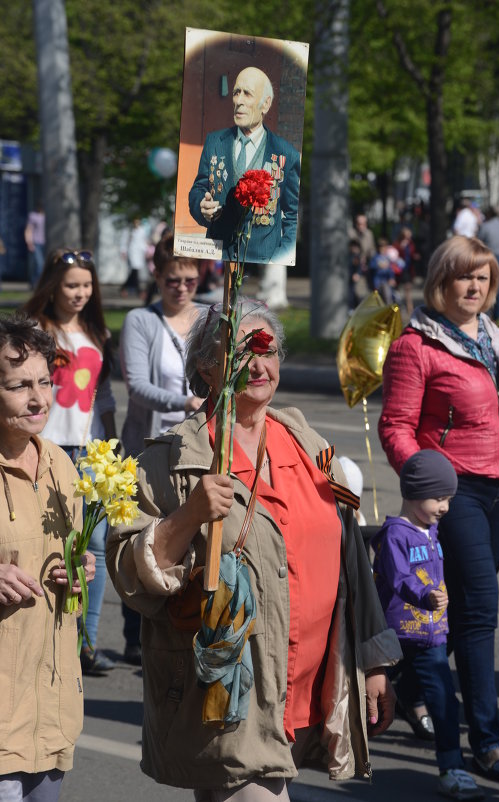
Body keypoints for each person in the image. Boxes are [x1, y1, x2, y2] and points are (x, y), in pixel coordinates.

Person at [106, 299, 402, 799]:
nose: (259, 366)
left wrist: (372, 663)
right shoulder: (172, 460)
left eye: (268, 351)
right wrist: (188, 515)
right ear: (206, 365)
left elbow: (351, 558)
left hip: (308, 685)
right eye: (241, 353)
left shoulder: (309, 445)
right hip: (231, 696)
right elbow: (131, 575)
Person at [378, 235, 499, 785]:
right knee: (480, 611)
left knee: (458, 604)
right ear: (440, 281)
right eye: (464, 277)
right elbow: (395, 426)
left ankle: (403, 685)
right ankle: (486, 743)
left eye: (483, 278)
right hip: (456, 491)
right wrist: (425, 480)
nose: (474, 287)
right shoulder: (415, 344)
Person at [0, 314, 95, 802]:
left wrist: (77, 571)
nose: (38, 399)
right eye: (19, 386)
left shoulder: (60, 463)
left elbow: (70, 557)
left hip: (52, 705)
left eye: (44, 382)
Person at [23, 249, 118, 676]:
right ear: (52, 287)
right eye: (71, 285)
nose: (80, 293)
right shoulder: (35, 330)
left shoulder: (97, 333)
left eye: (86, 285)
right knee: (50, 545)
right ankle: (48, 627)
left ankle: (87, 641)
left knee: (94, 547)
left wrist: (112, 444)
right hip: (46, 447)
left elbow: (107, 395)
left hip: (90, 451)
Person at [372, 450, 484, 801]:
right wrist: (424, 595)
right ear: (413, 492)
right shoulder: (395, 535)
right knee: (364, 690)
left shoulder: (432, 529)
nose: (445, 507)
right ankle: (333, 742)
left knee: (444, 700)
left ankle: (452, 768)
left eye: (448, 499)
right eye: (439, 498)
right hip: (393, 633)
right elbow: (400, 577)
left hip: (430, 635)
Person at [119, 233, 204, 663]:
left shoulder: (209, 316)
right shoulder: (141, 321)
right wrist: (185, 402)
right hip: (151, 449)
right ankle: (137, 632)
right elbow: (137, 386)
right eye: (173, 279)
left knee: (192, 537)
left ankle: (188, 623)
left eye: (190, 279)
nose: (182, 287)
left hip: (199, 449)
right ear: (156, 274)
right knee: (146, 536)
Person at [188, 66, 300, 266]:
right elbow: (199, 188)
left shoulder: (286, 154)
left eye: (247, 94)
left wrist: (279, 258)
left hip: (262, 261)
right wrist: (200, 206)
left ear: (265, 104)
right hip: (218, 256)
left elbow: (292, 215)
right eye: (236, 93)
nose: (238, 101)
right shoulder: (215, 142)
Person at [478, 207, 499, 319]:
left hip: (487, 257)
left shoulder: (486, 226)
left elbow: (479, 241)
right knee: (498, 285)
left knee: (485, 284)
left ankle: (485, 312)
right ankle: (498, 313)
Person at [120, 218, 149, 298]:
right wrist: (123, 251)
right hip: (132, 252)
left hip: (140, 253)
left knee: (135, 272)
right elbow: (124, 241)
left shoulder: (142, 230)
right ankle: (139, 291)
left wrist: (147, 250)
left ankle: (124, 287)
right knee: (135, 271)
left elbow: (143, 241)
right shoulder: (129, 230)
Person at [24, 203, 46, 288]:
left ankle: (36, 282)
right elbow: (28, 229)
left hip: (44, 243)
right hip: (36, 242)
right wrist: (29, 242)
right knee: (39, 264)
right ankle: (35, 283)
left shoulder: (45, 216)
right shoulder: (33, 216)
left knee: (41, 265)